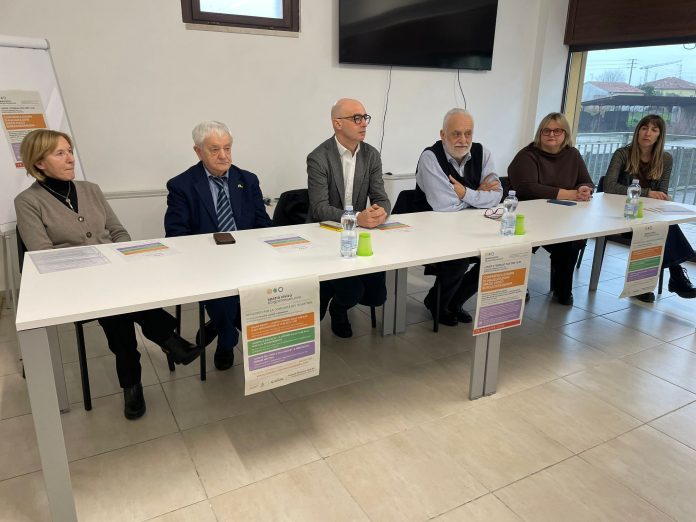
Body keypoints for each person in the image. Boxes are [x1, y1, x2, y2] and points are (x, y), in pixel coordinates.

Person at [15, 129, 202, 420]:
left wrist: (119, 257)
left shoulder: (91, 189)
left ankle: (132, 383)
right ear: (39, 162)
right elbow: (44, 254)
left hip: (114, 273)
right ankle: (167, 339)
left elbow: (118, 231)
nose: (70, 158)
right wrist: (100, 267)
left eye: (69, 151)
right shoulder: (28, 201)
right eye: (60, 153)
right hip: (72, 281)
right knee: (118, 307)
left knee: (119, 305)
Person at [165, 121, 273, 370]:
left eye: (227, 148)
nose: (224, 155)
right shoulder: (181, 185)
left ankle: (219, 324)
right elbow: (176, 235)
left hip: (248, 258)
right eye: (215, 149)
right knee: (224, 301)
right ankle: (227, 340)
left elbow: (263, 224)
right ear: (198, 151)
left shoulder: (247, 180)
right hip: (208, 264)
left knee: (277, 291)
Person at [307, 98, 391, 338]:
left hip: (357, 234)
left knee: (378, 296)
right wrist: (357, 217)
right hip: (325, 233)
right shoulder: (318, 157)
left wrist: (380, 212)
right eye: (356, 118)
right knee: (352, 290)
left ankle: (338, 299)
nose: (364, 123)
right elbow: (320, 208)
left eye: (365, 117)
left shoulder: (371, 155)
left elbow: (381, 198)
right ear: (337, 124)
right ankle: (339, 308)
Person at [414, 108, 502, 325]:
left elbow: (497, 195)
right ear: (443, 135)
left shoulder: (483, 153)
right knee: (458, 261)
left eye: (468, 133)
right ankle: (437, 303)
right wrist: (478, 194)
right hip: (433, 230)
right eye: (456, 134)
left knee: (496, 256)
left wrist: (464, 193)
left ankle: (454, 302)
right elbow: (444, 205)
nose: (463, 140)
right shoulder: (430, 157)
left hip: (473, 227)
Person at [603, 114, 696, 302]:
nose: (648, 133)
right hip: (622, 214)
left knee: (661, 226)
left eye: (654, 130)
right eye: (644, 128)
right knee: (661, 228)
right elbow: (609, 186)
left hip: (648, 214)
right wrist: (647, 193)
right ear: (638, 131)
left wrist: (663, 198)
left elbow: (662, 192)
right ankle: (675, 275)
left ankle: (650, 284)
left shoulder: (665, 159)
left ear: (659, 135)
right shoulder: (622, 154)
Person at [508, 112, 594, 306]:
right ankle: (518, 285)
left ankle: (563, 290)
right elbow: (528, 188)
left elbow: (587, 181)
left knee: (571, 242)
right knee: (519, 244)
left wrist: (583, 189)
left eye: (557, 131)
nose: (551, 134)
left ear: (565, 133)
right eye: (546, 130)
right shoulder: (527, 155)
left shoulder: (572, 154)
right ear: (540, 133)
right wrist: (570, 194)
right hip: (528, 218)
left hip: (561, 219)